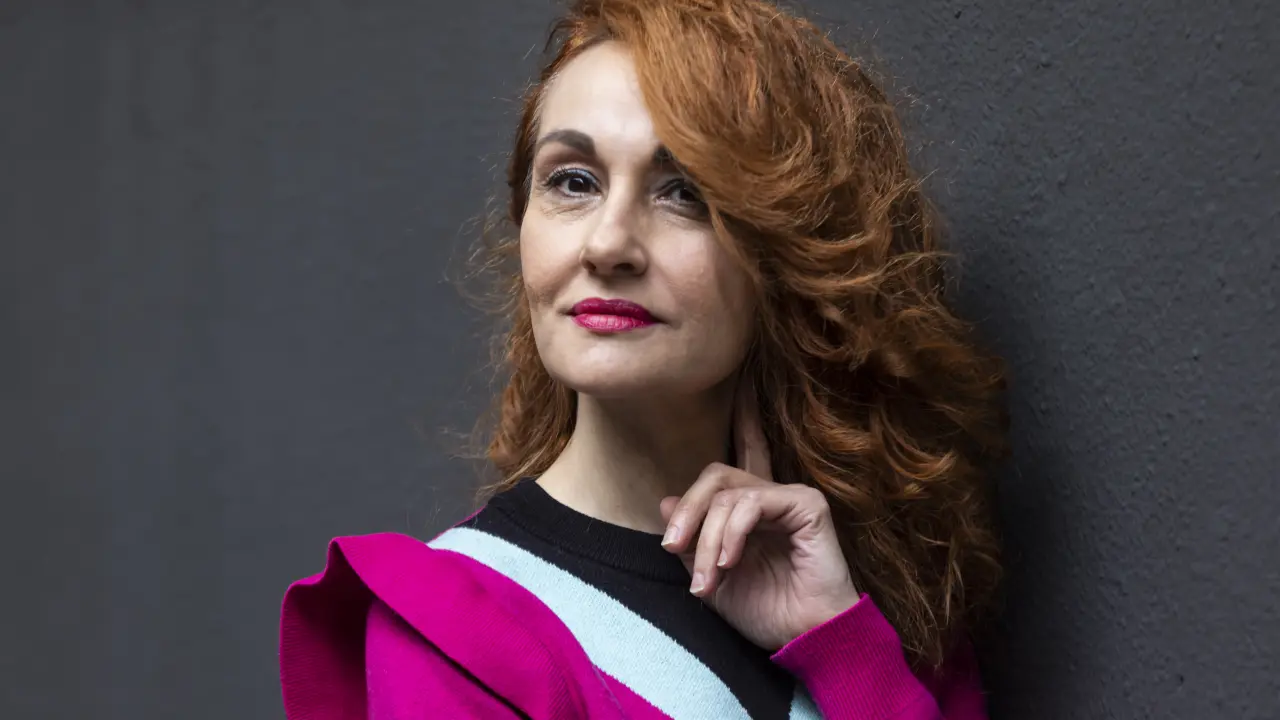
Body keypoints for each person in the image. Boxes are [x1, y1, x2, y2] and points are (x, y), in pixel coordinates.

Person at [279, 1, 1007, 718]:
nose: (608, 245)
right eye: (573, 181)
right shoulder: (458, 634)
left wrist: (840, 650)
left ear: (793, 257)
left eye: (684, 192)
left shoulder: (876, 604)